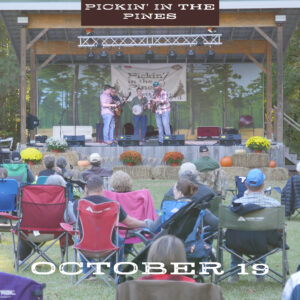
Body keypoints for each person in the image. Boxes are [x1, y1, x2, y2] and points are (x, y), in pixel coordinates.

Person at [73, 175, 148, 277]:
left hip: (85, 247)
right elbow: (129, 222)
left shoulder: (78, 204)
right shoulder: (113, 204)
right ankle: (114, 272)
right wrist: (144, 223)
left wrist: (85, 194)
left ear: (86, 188)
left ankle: (88, 271)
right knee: (119, 240)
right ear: (102, 188)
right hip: (108, 247)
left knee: (79, 238)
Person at [227, 169, 281, 283]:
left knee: (237, 235)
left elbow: (229, 228)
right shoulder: (275, 205)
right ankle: (260, 275)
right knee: (262, 235)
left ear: (246, 184)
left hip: (238, 243)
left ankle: (234, 275)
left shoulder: (236, 204)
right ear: (263, 185)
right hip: (265, 244)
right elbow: (279, 229)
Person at [162, 162, 218, 232]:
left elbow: (163, 212)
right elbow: (216, 222)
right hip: (202, 229)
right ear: (196, 174)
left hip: (174, 229)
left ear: (180, 174)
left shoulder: (170, 193)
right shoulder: (209, 192)